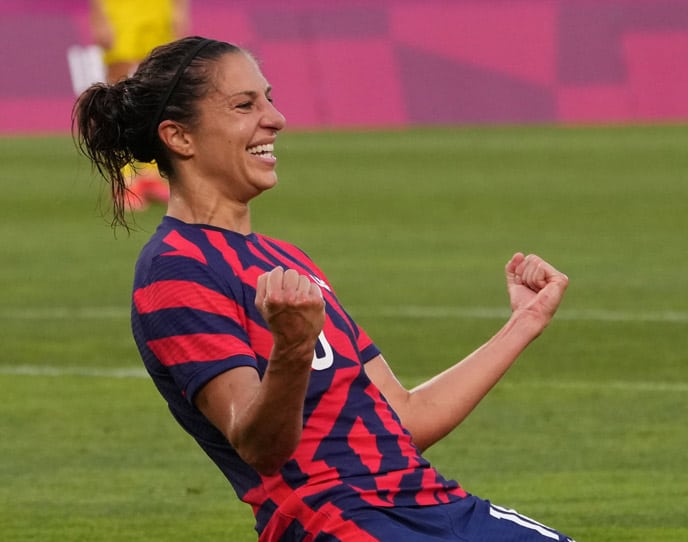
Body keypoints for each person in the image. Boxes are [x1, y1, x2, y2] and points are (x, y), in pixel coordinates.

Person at [73, 36, 575, 541]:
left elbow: (402, 420)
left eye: (268, 98)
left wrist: (524, 322)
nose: (275, 118)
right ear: (179, 137)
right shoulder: (175, 269)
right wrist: (292, 349)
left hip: (434, 506)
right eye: (245, 105)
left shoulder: (286, 259)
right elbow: (260, 447)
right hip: (334, 521)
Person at [88, 0, 190, 211]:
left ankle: (151, 172)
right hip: (121, 11)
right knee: (118, 92)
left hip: (158, 10)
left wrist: (179, 11)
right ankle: (124, 179)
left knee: (160, 89)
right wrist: (99, 17)